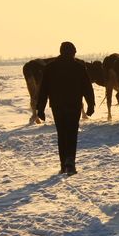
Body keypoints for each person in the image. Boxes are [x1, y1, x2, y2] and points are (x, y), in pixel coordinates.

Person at [35, 41, 96, 175]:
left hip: (57, 106)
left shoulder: (50, 68)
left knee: (62, 134)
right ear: (72, 52)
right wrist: (91, 104)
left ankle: (64, 164)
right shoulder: (78, 67)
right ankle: (70, 163)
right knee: (72, 133)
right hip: (73, 106)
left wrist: (40, 108)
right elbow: (87, 88)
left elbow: (43, 89)